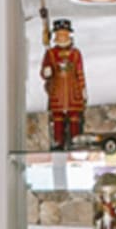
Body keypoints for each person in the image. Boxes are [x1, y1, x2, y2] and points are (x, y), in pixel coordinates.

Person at [41, 15, 88, 147]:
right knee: (58, 119)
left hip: (73, 91)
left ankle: (75, 141)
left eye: (64, 34)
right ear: (55, 35)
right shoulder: (50, 53)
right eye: (59, 34)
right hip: (58, 90)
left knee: (74, 118)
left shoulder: (76, 53)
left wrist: (83, 89)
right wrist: (47, 71)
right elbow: (44, 73)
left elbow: (80, 72)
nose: (62, 37)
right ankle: (58, 142)